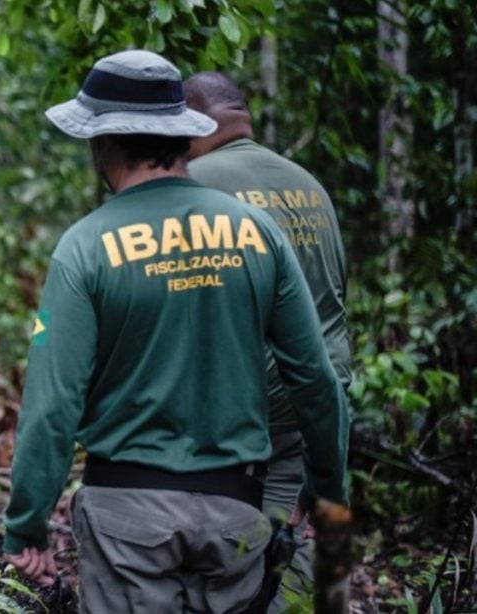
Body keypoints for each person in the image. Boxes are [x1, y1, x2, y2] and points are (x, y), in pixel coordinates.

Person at [1, 50, 349, 613]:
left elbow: (53, 404)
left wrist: (26, 525)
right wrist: (327, 486)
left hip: (125, 521)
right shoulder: (257, 232)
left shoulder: (84, 247)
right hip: (237, 510)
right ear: (184, 136)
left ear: (102, 142)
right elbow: (315, 376)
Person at [184, 71, 352, 612]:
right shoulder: (309, 185)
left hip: (237, 414)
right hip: (318, 406)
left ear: (191, 123)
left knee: (224, 572)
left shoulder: (192, 185)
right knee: (300, 553)